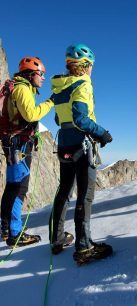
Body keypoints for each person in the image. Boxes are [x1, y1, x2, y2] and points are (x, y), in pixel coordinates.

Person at [49, 43, 113, 264]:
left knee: (64, 191)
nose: (92, 69)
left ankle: (56, 240)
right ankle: (84, 248)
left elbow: (59, 119)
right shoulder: (83, 85)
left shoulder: (59, 87)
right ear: (85, 66)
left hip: (65, 144)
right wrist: (102, 133)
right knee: (85, 196)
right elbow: (81, 119)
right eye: (91, 65)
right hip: (82, 146)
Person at [0, 57, 54, 247]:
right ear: (30, 74)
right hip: (19, 144)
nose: (43, 78)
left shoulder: (17, 87)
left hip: (13, 143)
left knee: (12, 186)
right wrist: (50, 102)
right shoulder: (22, 89)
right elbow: (31, 114)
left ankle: (6, 228)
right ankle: (15, 234)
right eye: (41, 74)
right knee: (19, 188)